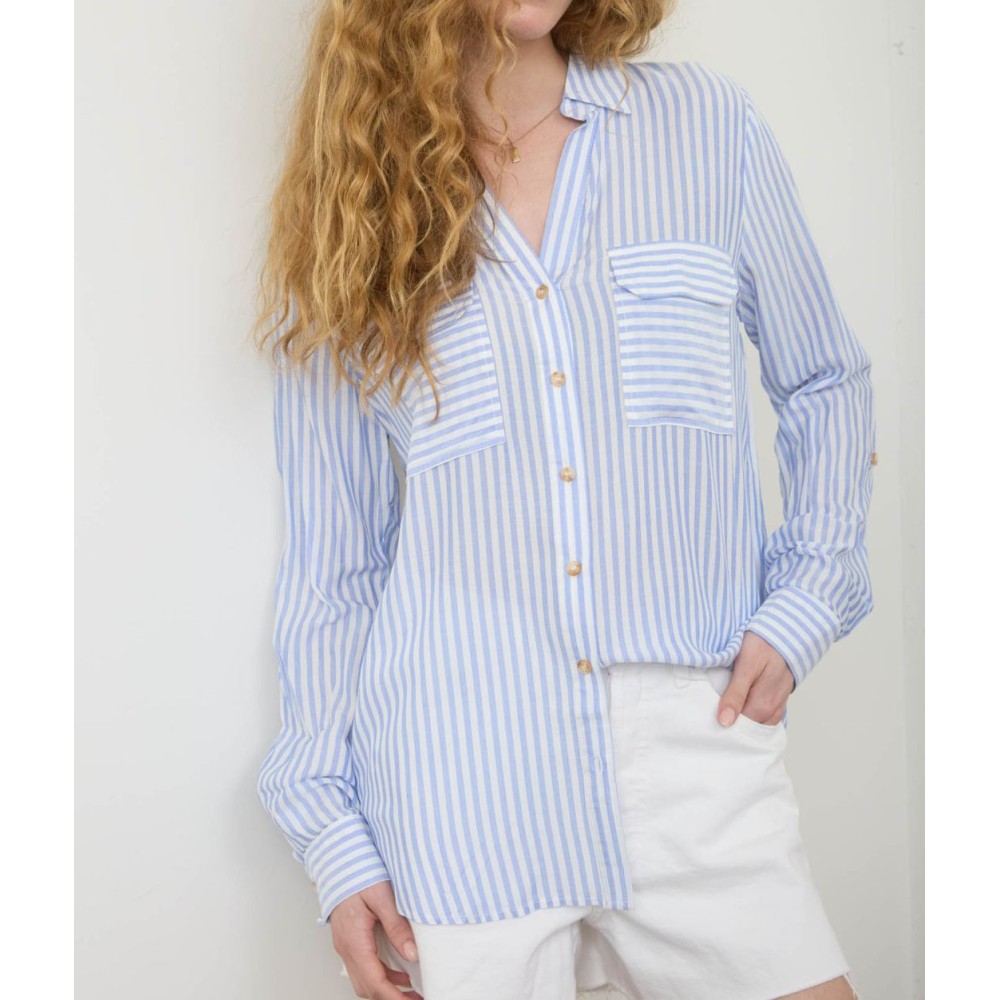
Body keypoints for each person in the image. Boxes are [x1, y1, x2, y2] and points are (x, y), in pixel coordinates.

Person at [251, 1, 876, 998]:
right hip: (461, 775)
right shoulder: (356, 207)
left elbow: (823, 381)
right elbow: (339, 563)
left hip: (694, 747)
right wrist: (332, 832)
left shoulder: (706, 127)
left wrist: (808, 594)